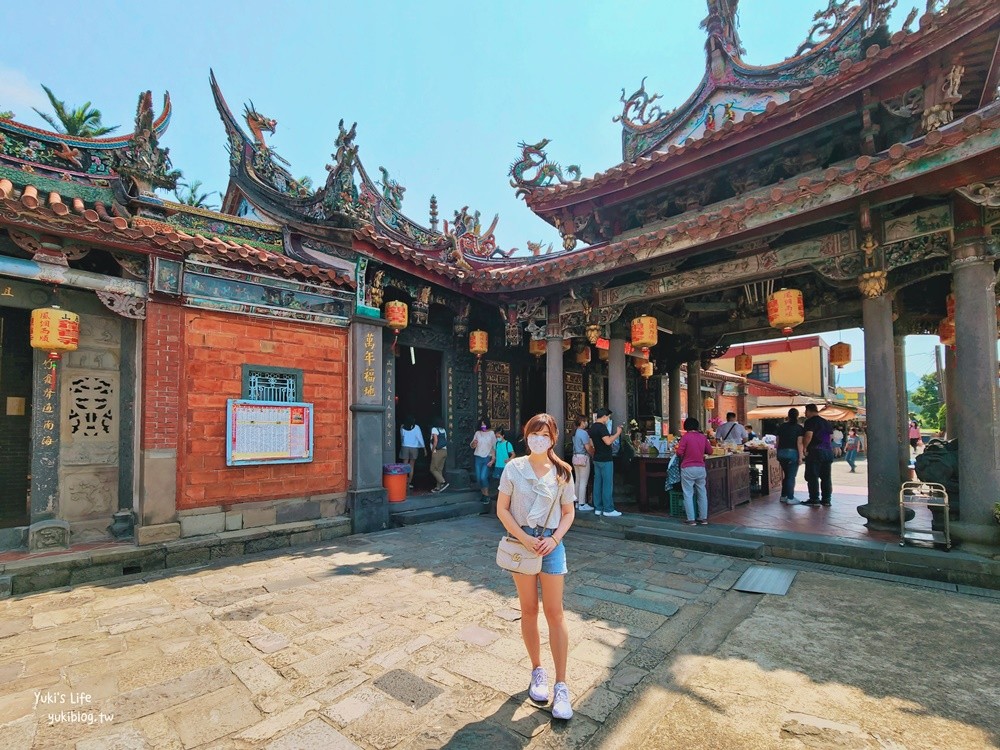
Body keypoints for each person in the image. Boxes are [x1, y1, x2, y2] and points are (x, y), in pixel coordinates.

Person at [496, 413, 577, 720]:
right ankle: (537, 670)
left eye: (544, 435)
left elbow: (568, 513)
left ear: (553, 439)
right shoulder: (513, 468)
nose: (538, 439)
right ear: (526, 436)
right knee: (529, 609)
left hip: (552, 547)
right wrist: (524, 539)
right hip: (522, 545)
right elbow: (502, 509)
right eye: (533, 434)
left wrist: (554, 540)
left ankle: (561, 684)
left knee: (555, 612)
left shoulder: (562, 472)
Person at [675, 417, 713, 525]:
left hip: (688, 468)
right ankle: (703, 518)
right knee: (702, 492)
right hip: (701, 468)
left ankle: (691, 519)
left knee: (688, 493)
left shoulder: (685, 437)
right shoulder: (702, 437)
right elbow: (710, 451)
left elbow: (679, 453)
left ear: (686, 426)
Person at [588, 408, 624, 517]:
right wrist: (617, 433)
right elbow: (608, 441)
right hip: (606, 459)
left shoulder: (592, 427)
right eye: (608, 417)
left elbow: (591, 444)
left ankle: (598, 507)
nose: (608, 419)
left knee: (598, 483)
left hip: (597, 458)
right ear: (604, 416)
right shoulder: (602, 427)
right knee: (607, 484)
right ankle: (608, 509)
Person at [802, 404, 834, 506]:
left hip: (815, 451)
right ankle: (826, 499)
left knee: (812, 476)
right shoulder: (826, 422)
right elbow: (830, 438)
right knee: (826, 477)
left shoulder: (810, 421)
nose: (805, 414)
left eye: (805, 411)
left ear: (809, 411)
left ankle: (814, 499)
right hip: (827, 451)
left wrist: (804, 447)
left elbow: (809, 435)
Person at [775, 408, 805, 504]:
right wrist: (800, 457)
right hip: (793, 453)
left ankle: (783, 496)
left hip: (781, 453)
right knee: (791, 476)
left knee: (787, 475)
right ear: (797, 416)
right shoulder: (799, 428)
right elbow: (799, 443)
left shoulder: (781, 426)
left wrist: (777, 452)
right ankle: (790, 497)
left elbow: (777, 442)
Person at [470, 416, 497, 504]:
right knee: (478, 478)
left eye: (484, 424)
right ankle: (483, 494)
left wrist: (493, 458)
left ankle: (486, 495)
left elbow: (494, 447)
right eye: (481, 424)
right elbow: (472, 445)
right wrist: (474, 443)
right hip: (478, 457)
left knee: (483, 477)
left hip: (486, 457)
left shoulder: (491, 433)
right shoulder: (477, 433)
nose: (483, 426)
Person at [571, 415, 594, 512]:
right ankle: (582, 503)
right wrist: (593, 454)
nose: (586, 423)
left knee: (578, 480)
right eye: (585, 421)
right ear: (582, 422)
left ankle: (576, 502)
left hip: (575, 457)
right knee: (584, 481)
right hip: (583, 457)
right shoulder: (583, 433)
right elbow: (588, 447)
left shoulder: (575, 432)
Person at [399, 417, 426, 489]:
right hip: (414, 448)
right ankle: (409, 483)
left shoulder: (402, 427)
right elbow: (420, 437)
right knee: (411, 466)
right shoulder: (416, 427)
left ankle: (404, 482)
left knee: (404, 465)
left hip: (405, 447)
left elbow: (401, 437)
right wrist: (424, 448)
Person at [429, 417, 450, 493]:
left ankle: (443, 482)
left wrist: (433, 450)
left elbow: (435, 440)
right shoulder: (443, 430)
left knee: (433, 469)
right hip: (444, 451)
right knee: (439, 470)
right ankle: (438, 487)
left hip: (438, 451)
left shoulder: (434, 429)